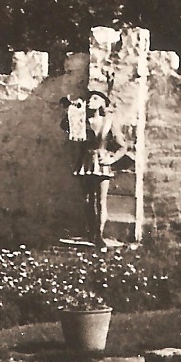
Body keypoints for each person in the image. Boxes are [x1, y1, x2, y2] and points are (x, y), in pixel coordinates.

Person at [69, 89, 128, 245]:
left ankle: (99, 234)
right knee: (87, 199)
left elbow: (122, 146)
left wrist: (111, 159)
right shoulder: (83, 121)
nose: (90, 101)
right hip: (86, 162)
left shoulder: (109, 121)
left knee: (101, 200)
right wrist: (74, 110)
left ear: (103, 102)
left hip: (101, 163)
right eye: (89, 98)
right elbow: (66, 128)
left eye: (95, 98)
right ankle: (90, 232)